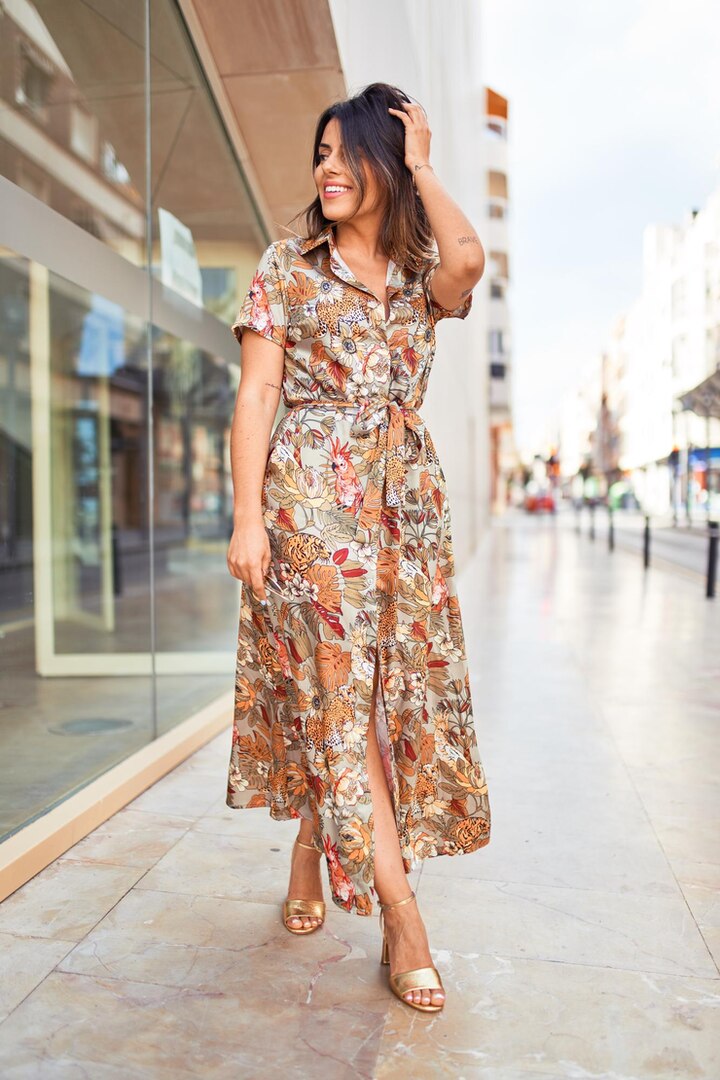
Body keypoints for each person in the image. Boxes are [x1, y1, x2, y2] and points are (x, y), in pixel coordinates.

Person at [225, 82, 491, 1013]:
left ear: (385, 164)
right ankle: (403, 919)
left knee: (375, 697)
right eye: (320, 153)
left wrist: (424, 163)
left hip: (404, 513)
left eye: (346, 153)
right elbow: (258, 394)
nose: (326, 168)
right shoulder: (286, 266)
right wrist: (249, 515)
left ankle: (309, 845)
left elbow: (471, 259)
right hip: (311, 503)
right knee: (342, 693)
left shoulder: (422, 278)